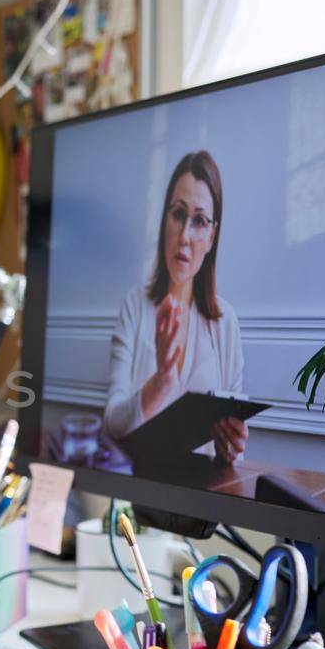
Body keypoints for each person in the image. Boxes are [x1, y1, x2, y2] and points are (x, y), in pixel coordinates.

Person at [103, 150, 246, 464]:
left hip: (201, 502)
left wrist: (230, 449)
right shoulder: (134, 306)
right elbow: (112, 424)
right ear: (164, 220)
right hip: (139, 495)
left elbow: (230, 455)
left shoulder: (226, 322)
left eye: (199, 221)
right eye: (178, 214)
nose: (184, 236)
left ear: (211, 236)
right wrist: (162, 380)